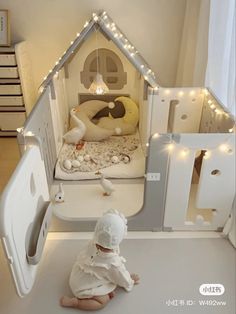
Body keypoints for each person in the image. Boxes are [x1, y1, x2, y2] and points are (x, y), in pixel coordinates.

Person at [60, 209, 140, 311]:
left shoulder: (92, 243)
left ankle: (101, 290)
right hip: (83, 289)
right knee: (103, 301)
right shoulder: (113, 263)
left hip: (76, 277)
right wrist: (130, 280)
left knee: (100, 274)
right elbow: (122, 278)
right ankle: (76, 302)